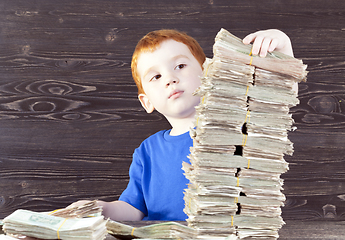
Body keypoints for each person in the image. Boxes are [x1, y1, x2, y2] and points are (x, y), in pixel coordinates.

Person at [72, 28, 296, 221]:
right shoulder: (147, 152)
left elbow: (280, 98)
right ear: (146, 101)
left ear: (208, 72)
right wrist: (102, 208)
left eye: (179, 65)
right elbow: (134, 209)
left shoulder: (237, 127)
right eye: (156, 77)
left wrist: (282, 42)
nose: (170, 78)